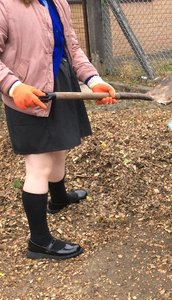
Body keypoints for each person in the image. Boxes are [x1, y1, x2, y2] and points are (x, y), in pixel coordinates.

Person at [0, 0, 116, 260]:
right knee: (39, 164)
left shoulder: (57, 1)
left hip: (59, 84)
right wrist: (14, 87)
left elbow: (72, 47)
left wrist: (93, 80)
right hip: (29, 94)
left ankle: (59, 199)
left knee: (60, 147)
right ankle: (39, 242)